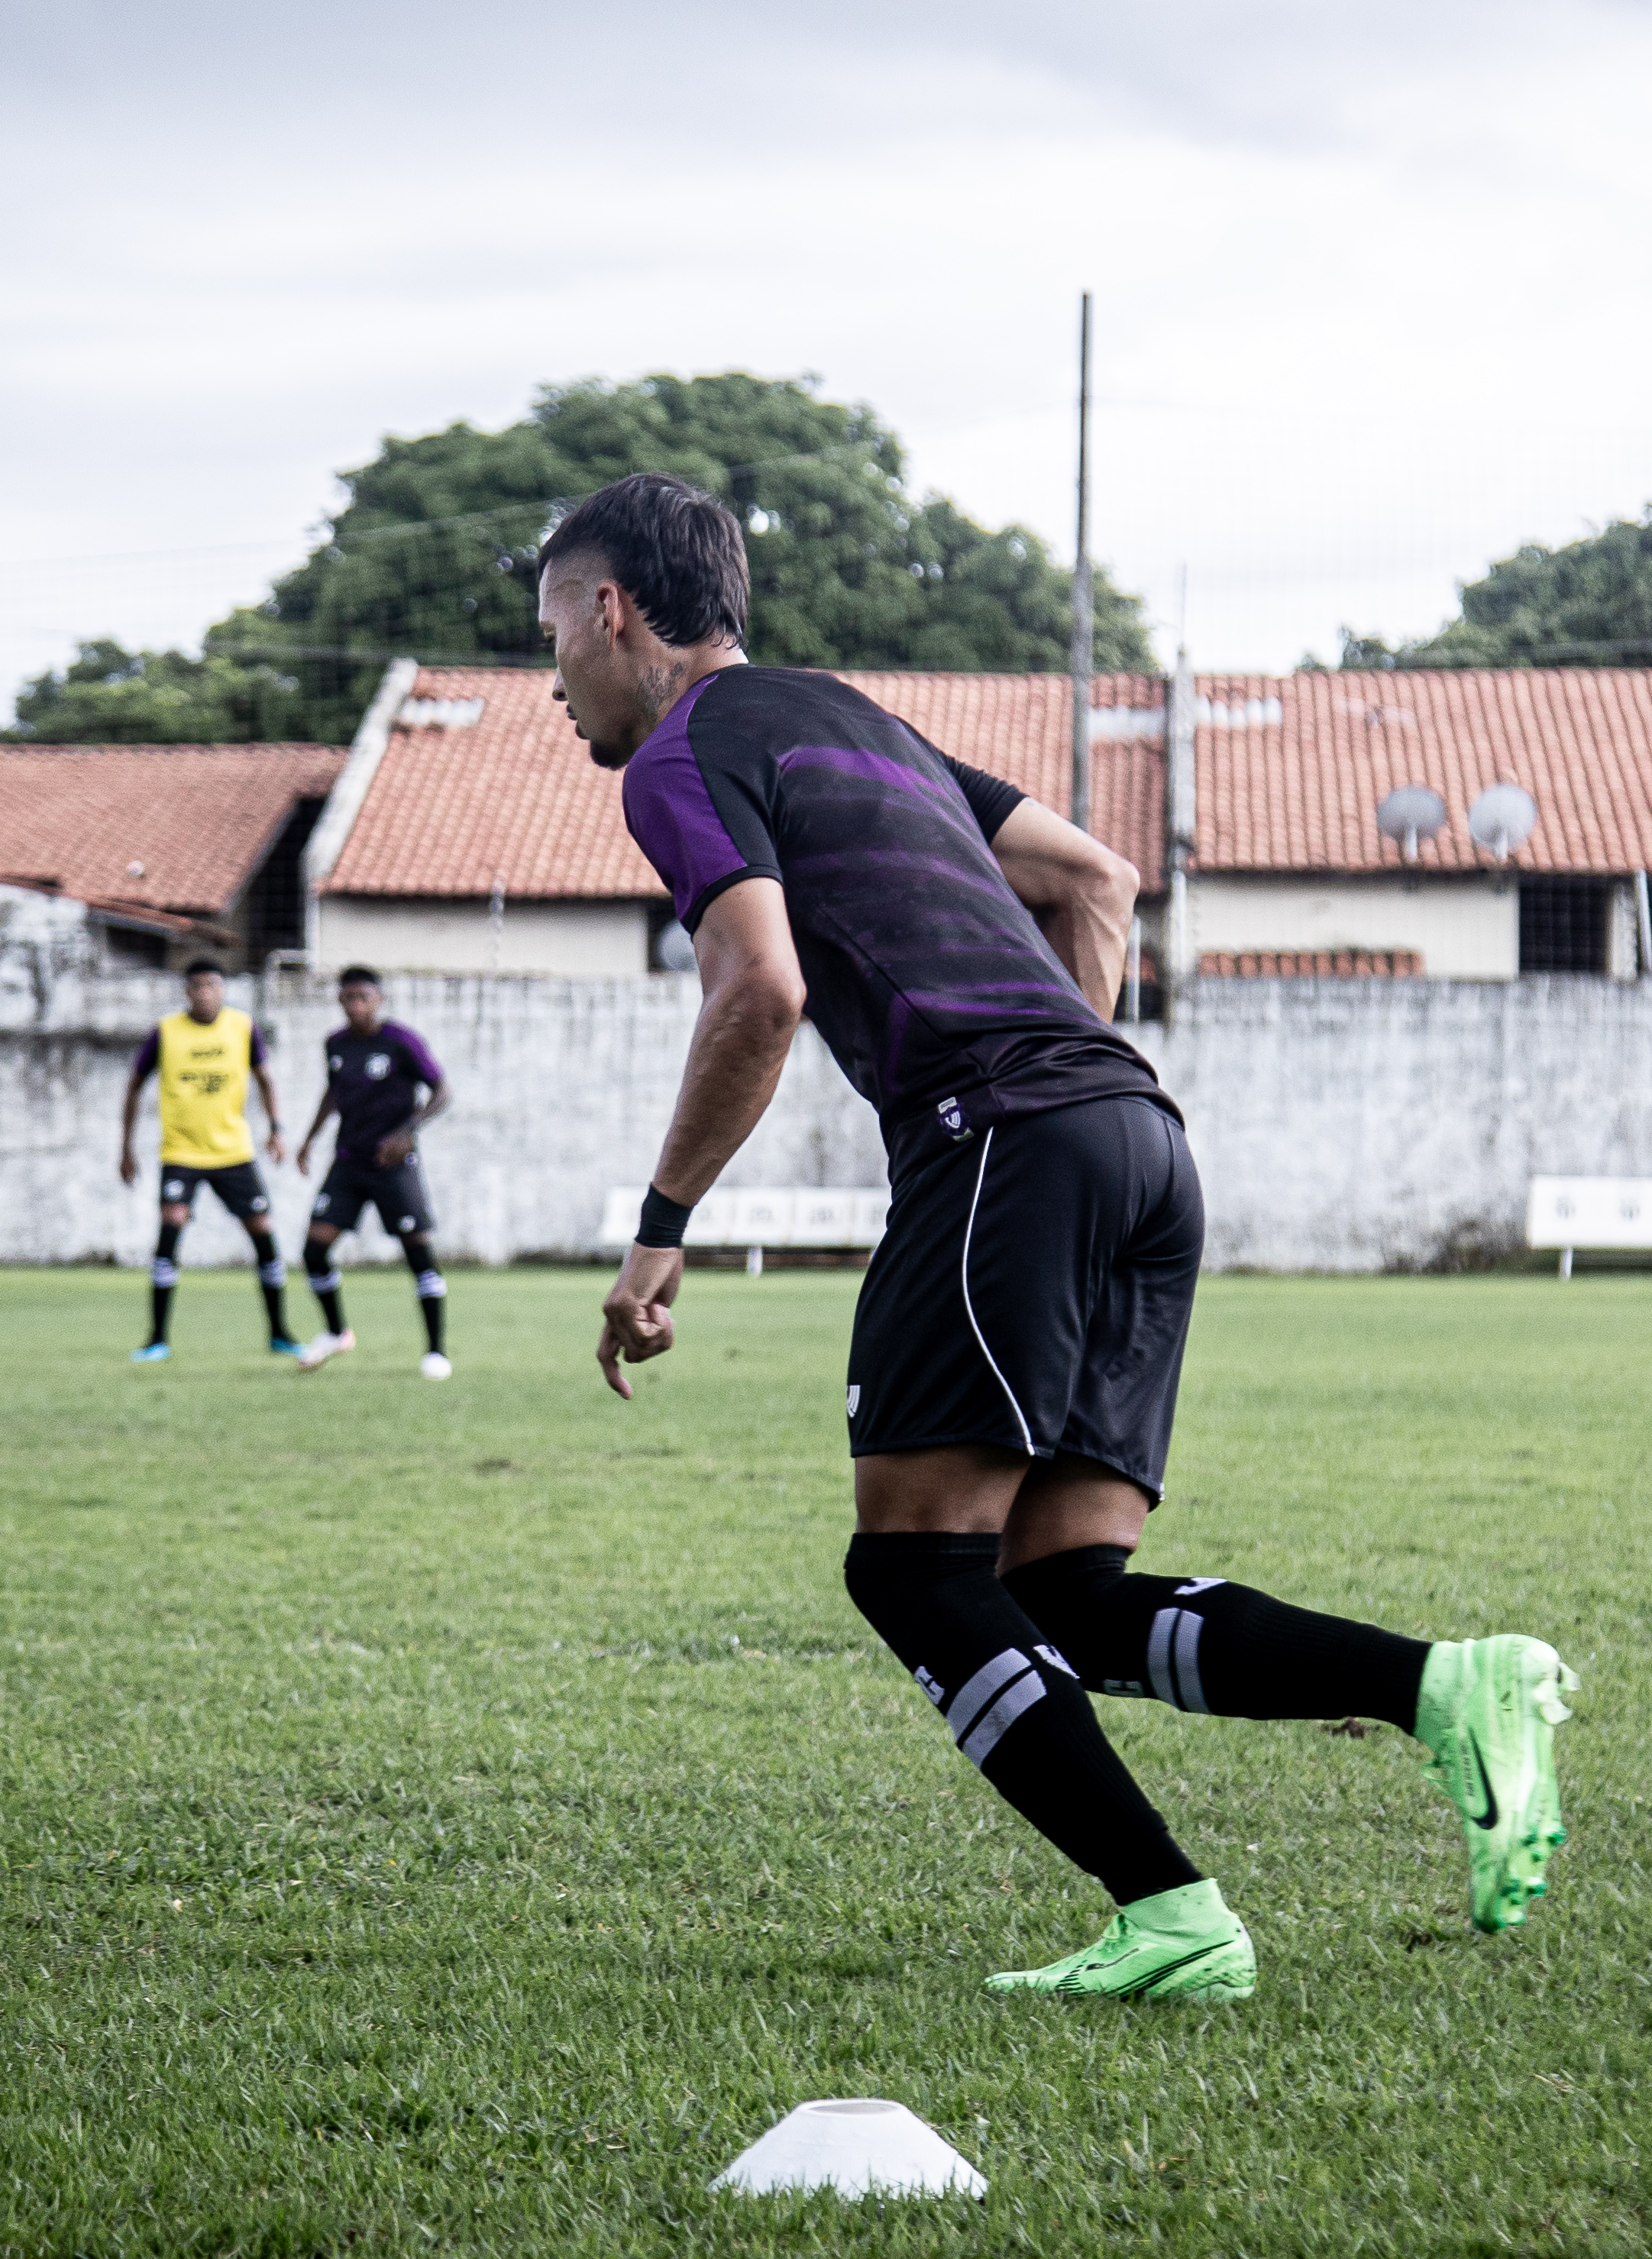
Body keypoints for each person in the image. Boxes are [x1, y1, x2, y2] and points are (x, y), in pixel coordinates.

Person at [553, 472, 1574, 2002]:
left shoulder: (681, 753)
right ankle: (1444, 1686)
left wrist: (659, 1232)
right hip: (1139, 1141)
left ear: (613, 608)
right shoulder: (861, 722)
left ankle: (1173, 1912)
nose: (553, 678)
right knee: (1059, 1593)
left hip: (1008, 1140)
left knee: (914, 1568)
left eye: (552, 636)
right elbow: (1098, 876)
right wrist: (1065, 1072)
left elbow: (759, 986)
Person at [120, 960, 299, 1362]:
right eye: (197, 986)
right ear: (187, 991)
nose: (204, 994)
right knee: (172, 1223)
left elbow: (266, 1080)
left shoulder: (242, 1027)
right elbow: (134, 1087)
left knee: (262, 1229)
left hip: (233, 1152)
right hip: (181, 1152)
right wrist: (126, 1148)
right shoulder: (166, 1032)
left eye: (212, 986)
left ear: (223, 989)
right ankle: (157, 1339)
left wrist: (277, 1129)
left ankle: (280, 1333)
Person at [293, 966, 455, 1378]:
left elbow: (442, 1091)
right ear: (340, 1000)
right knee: (314, 1249)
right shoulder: (335, 1044)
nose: (356, 1006)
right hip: (349, 1162)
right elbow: (333, 1092)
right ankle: (335, 1332)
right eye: (348, 998)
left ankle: (436, 1351)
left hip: (393, 1165)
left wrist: (407, 1131)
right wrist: (309, 1139)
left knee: (417, 1250)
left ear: (378, 1000)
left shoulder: (400, 1042)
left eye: (363, 997)